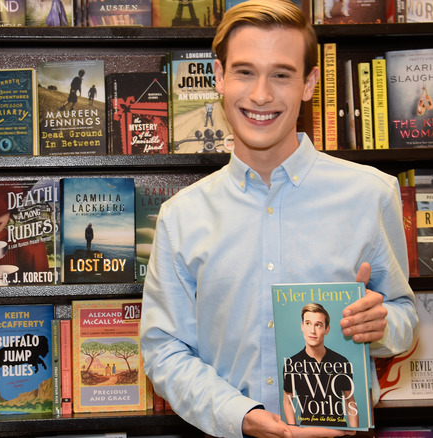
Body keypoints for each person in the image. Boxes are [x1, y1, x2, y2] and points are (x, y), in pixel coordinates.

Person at [139, 1, 418, 437]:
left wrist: (382, 327)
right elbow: (164, 352)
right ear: (219, 77)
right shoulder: (182, 216)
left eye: (282, 74)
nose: (261, 95)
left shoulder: (370, 194)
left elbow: (404, 317)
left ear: (309, 83)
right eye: (245, 71)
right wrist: (241, 415)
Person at [283, 304, 358, 428]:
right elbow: (288, 401)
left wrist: (355, 433)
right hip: (306, 433)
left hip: (339, 432)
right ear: (302, 326)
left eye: (318, 325)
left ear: (326, 329)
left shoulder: (341, 362)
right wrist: (293, 430)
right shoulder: (292, 364)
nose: (312, 330)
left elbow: (349, 401)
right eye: (308, 323)